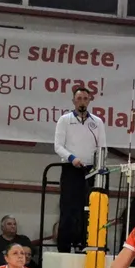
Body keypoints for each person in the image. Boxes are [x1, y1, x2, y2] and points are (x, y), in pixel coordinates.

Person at [54, 86, 107, 253]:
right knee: (68, 208)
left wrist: (99, 165)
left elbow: (102, 146)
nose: (82, 102)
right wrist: (72, 158)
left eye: (85, 98)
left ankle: (85, 244)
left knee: (89, 209)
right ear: (73, 101)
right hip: (71, 169)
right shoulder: (65, 120)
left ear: (89, 100)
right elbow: (58, 146)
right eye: (79, 99)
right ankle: (64, 247)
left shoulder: (97, 122)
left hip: (91, 171)